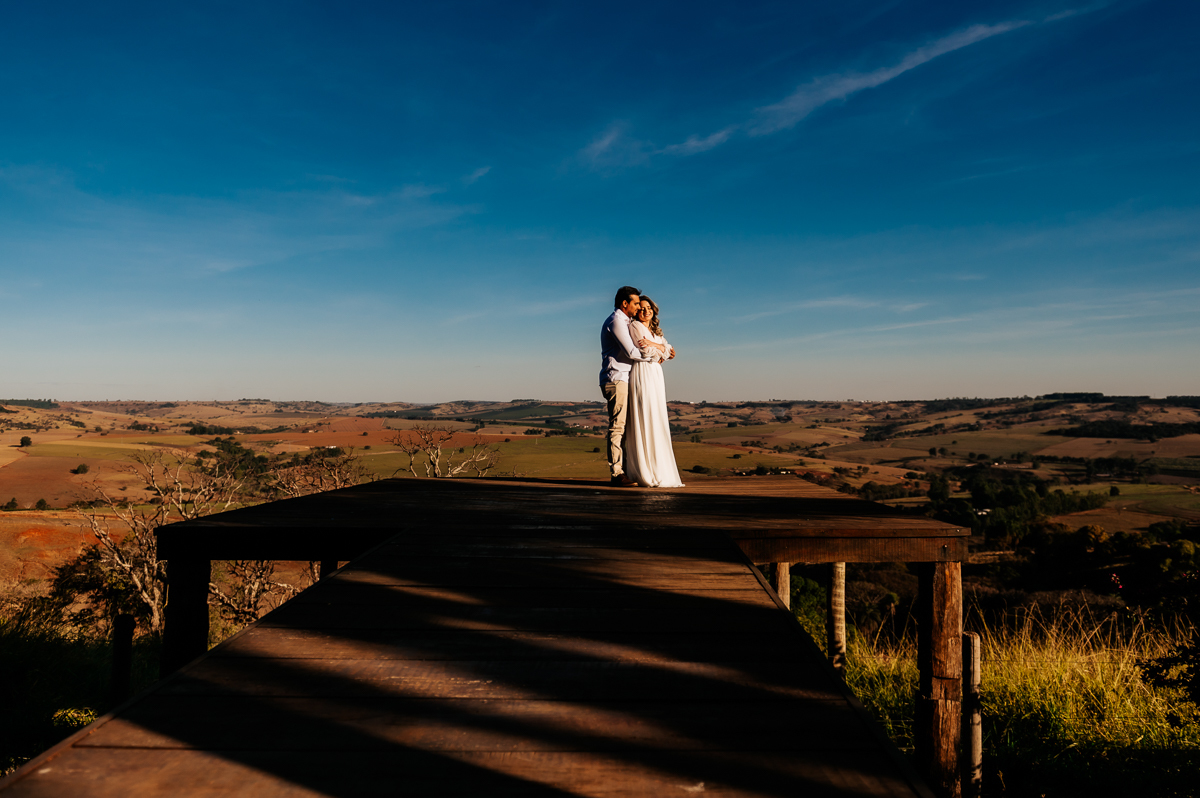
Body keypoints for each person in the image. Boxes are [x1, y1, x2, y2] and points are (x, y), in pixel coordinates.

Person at [623, 295, 684, 488]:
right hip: (642, 373)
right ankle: (646, 470)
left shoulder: (654, 331)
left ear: (653, 310)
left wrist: (659, 347)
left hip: (656, 374)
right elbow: (644, 352)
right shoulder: (635, 326)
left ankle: (660, 468)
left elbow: (669, 351)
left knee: (657, 418)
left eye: (648, 307)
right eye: (641, 308)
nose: (645, 311)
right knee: (645, 417)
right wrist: (662, 349)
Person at [599, 286, 648, 487]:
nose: (638, 307)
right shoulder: (616, 321)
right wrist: (657, 355)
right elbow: (631, 352)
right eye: (636, 303)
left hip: (625, 379)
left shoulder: (627, 322)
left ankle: (627, 470)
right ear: (624, 303)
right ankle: (617, 473)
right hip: (616, 379)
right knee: (618, 427)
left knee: (628, 427)